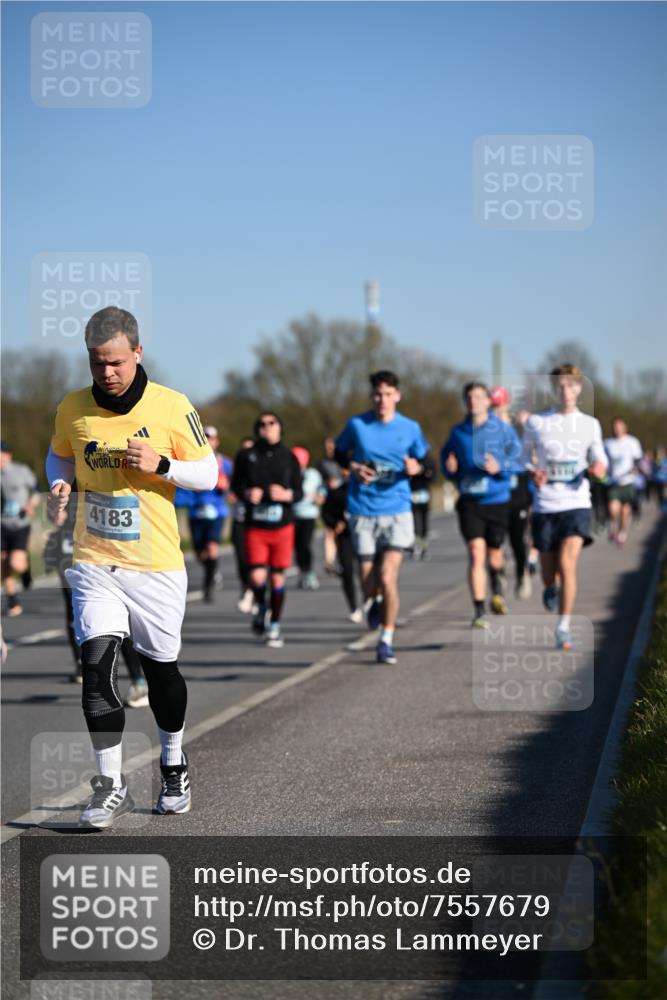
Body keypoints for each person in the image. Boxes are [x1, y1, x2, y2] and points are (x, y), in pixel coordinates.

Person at [46, 306, 217, 829]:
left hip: (157, 565)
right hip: (96, 561)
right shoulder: (72, 408)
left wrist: (163, 466)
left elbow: (208, 475)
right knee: (96, 669)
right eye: (97, 364)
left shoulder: (171, 406)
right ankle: (109, 786)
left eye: (116, 362)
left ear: (137, 353)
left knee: (162, 669)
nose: (107, 373)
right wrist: (61, 482)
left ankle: (172, 762)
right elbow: (59, 455)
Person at [334, 370, 429, 665]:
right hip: (362, 509)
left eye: (388, 394)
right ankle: (373, 601)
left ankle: (386, 640)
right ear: (371, 396)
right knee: (368, 583)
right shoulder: (357, 424)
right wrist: (353, 467)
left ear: (397, 396)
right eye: (377, 394)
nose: (382, 400)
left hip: (397, 510)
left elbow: (428, 462)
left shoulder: (410, 428)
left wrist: (418, 468)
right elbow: (337, 453)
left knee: (388, 577)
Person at [522, 364, 607, 650]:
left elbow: (600, 458)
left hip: (576, 503)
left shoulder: (589, 424)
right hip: (546, 506)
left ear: (579, 388)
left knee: (567, 565)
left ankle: (563, 627)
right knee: (549, 572)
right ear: (553, 388)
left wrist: (598, 467)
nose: (565, 391)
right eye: (560, 385)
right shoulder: (536, 422)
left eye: (571, 385)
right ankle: (549, 587)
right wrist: (533, 470)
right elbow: (524, 458)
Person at [43, 485, 147, 704]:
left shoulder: (104, 476)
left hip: (103, 553)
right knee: (73, 610)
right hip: (70, 546)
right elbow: (53, 504)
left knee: (119, 619)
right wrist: (55, 511)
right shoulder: (66, 468)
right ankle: (83, 666)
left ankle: (139, 680)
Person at [441, 383, 521, 628]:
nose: (473, 401)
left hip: (497, 501)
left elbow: (519, 461)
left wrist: (501, 468)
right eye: (469, 397)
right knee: (476, 554)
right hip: (469, 502)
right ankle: (478, 610)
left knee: (494, 555)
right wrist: (449, 469)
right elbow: (446, 460)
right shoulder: (458, 433)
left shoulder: (503, 430)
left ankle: (497, 582)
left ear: (488, 401)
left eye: (478, 397)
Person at [230, 412, 303, 648]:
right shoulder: (246, 455)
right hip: (256, 525)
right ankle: (262, 605)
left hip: (282, 525)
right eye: (261, 424)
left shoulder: (289, 457)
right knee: (257, 576)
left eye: (272, 423)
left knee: (277, 577)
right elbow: (235, 486)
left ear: (280, 427)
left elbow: (299, 492)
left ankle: (275, 625)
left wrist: (286, 495)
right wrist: (247, 494)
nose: (266, 427)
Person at [175, 425, 233, 601]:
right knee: (200, 553)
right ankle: (212, 570)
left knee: (212, 548)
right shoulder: (192, 462)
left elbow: (235, 487)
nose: (208, 441)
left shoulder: (226, 463)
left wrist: (227, 487)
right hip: (196, 513)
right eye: (205, 438)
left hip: (216, 513)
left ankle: (208, 587)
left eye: (211, 438)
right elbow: (182, 489)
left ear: (217, 441)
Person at [490, 386, 532, 598]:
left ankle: (522, 573)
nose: (496, 409)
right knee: (495, 540)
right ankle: (497, 577)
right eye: (493, 405)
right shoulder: (486, 427)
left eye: (500, 404)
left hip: (518, 488)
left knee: (517, 539)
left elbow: (527, 458)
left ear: (506, 404)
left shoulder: (520, 426)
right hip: (496, 490)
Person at [1, 442, 39, 617]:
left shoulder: (21, 471)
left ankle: (25, 570)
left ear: (8, 455)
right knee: (3, 563)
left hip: (20, 524)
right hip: (2, 525)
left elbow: (36, 490)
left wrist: (31, 505)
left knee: (15, 563)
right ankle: (13, 602)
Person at [320, 469, 362, 622]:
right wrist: (335, 523)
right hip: (345, 537)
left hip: (364, 534)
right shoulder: (337, 492)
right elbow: (326, 514)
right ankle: (353, 607)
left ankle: (372, 601)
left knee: (367, 570)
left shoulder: (365, 490)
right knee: (347, 571)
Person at [604, 418, 643, 546]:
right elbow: (602, 460)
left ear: (625, 427)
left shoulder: (632, 442)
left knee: (624, 511)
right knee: (612, 508)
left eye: (620, 426)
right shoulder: (608, 443)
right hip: (613, 481)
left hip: (628, 481)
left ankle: (622, 532)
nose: (617, 429)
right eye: (615, 426)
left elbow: (638, 459)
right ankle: (613, 526)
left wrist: (635, 469)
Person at [229, 436, 256, 613]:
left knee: (257, 562)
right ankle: (246, 588)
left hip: (258, 522)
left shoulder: (263, 471)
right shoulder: (237, 472)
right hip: (240, 520)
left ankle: (255, 593)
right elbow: (232, 491)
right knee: (241, 559)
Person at [292, 446, 324, 590]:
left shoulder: (312, 474)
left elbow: (322, 488)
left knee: (305, 545)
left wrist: (321, 496)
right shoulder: (289, 473)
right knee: (297, 547)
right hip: (292, 514)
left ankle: (309, 572)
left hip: (308, 514)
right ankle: (302, 572)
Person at [319, 436, 342, 575]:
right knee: (329, 531)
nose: (329, 450)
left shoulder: (343, 462)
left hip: (342, 501)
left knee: (341, 532)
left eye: (332, 447)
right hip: (329, 501)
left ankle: (342, 559)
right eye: (327, 447)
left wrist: (338, 482)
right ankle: (329, 560)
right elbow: (319, 482)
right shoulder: (322, 464)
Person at [409, 455, 436, 560]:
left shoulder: (427, 461)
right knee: (415, 524)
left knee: (424, 524)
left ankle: (424, 548)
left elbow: (433, 476)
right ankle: (417, 546)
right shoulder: (409, 459)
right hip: (413, 495)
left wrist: (423, 471)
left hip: (424, 496)